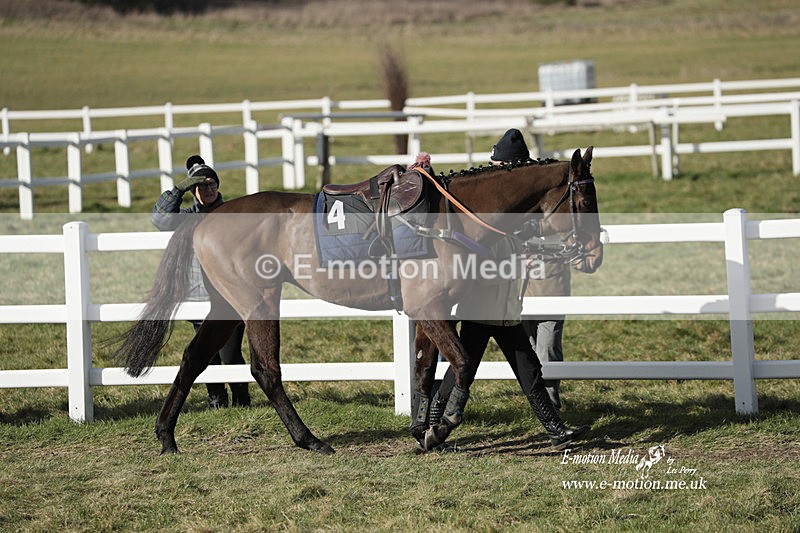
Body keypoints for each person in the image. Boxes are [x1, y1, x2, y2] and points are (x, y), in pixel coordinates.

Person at [428, 129, 589, 450]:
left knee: (525, 369)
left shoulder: (511, 212)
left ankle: (556, 432)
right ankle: (434, 428)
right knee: (466, 367)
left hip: (505, 308)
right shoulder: (487, 208)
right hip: (485, 306)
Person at [150, 155, 250, 409]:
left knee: (230, 353)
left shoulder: (232, 214)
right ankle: (216, 399)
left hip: (230, 295)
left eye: (212, 184)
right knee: (207, 355)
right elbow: (160, 220)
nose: (208, 190)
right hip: (198, 296)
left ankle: (242, 399)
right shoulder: (187, 219)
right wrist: (177, 190)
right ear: (193, 190)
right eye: (202, 186)